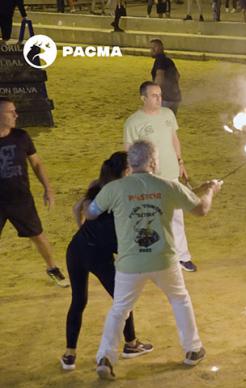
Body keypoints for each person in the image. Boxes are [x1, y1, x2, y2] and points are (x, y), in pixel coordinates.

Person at [87, 141, 222, 380]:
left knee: (119, 309)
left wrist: (90, 198)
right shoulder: (168, 186)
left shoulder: (115, 188)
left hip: (130, 263)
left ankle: (105, 357)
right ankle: (192, 349)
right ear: (152, 161)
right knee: (180, 299)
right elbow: (201, 209)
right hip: (163, 260)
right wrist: (210, 190)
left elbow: (91, 213)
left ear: (131, 162)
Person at [61, 152, 153, 371]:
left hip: (76, 248)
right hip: (100, 255)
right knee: (123, 301)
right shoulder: (124, 193)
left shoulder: (98, 185)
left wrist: (82, 229)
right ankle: (131, 344)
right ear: (126, 171)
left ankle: (69, 354)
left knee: (78, 301)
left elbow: (77, 209)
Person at [124, 82, 199, 272]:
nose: (159, 99)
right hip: (150, 177)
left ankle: (182, 257)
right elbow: (130, 151)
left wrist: (180, 162)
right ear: (143, 98)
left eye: (159, 95)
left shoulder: (168, 114)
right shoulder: (133, 122)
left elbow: (174, 139)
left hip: (171, 173)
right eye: (154, 95)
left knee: (176, 216)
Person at [0, 97, 68, 287]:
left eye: (15, 110)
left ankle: (52, 268)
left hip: (20, 199)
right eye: (10, 112)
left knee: (37, 235)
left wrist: (48, 188)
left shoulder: (21, 137)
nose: (16, 115)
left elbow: (36, 163)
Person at [150, 39, 182, 115]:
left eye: (154, 47)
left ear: (161, 48)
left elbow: (159, 78)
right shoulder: (169, 61)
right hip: (174, 98)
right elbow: (177, 75)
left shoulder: (159, 61)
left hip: (164, 98)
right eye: (151, 48)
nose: (152, 50)